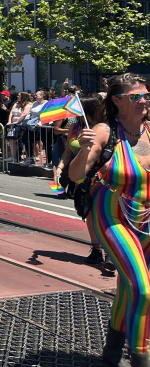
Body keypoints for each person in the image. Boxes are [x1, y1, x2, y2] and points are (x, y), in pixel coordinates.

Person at [69, 73, 150, 367]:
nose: (144, 101)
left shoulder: (149, 131)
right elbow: (76, 176)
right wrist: (84, 148)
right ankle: (141, 356)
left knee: (128, 290)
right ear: (117, 101)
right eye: (136, 97)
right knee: (143, 289)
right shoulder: (104, 131)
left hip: (147, 219)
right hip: (112, 216)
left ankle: (111, 356)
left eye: (147, 95)